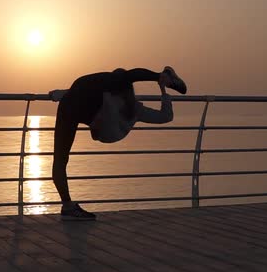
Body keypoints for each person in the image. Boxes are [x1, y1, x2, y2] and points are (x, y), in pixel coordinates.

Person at [48, 67, 187, 221]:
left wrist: (163, 90)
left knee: (90, 83)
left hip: (104, 125)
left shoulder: (128, 105)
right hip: (91, 117)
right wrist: (163, 91)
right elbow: (165, 116)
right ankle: (68, 206)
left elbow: (88, 87)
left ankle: (161, 77)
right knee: (60, 159)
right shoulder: (127, 104)